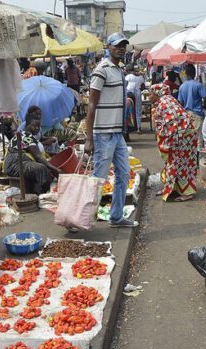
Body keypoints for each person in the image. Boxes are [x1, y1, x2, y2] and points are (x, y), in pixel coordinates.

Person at [85, 32, 138, 228]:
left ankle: (116, 217)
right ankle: (83, 217)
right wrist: (89, 138)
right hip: (103, 134)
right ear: (108, 47)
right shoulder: (101, 70)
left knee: (123, 174)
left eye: (124, 45)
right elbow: (91, 105)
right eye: (117, 45)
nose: (121, 48)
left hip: (117, 133)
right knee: (98, 178)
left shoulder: (119, 70)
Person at [149, 83, 197, 202]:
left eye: (150, 94)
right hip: (181, 136)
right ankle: (171, 188)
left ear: (157, 93)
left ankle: (187, 193)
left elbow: (172, 122)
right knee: (174, 163)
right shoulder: (165, 100)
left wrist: (168, 143)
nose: (149, 96)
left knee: (183, 165)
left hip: (183, 138)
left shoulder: (164, 103)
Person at [4, 114, 61, 195]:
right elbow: (38, 157)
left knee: (45, 168)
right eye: (34, 126)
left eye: (38, 126)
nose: (37, 128)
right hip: (14, 164)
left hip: (20, 162)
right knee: (41, 168)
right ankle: (38, 194)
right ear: (27, 125)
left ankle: (38, 191)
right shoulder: (26, 136)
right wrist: (56, 170)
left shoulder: (30, 136)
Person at [178, 64, 206, 150]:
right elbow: (205, 98)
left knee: (188, 138)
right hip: (197, 114)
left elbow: (180, 102)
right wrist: (203, 105)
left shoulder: (182, 86)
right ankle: (198, 158)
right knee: (199, 138)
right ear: (194, 73)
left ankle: (190, 157)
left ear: (186, 74)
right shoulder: (198, 85)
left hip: (186, 114)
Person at [125, 64, 144, 133]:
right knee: (138, 110)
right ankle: (138, 128)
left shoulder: (128, 76)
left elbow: (125, 85)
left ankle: (130, 127)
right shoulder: (141, 77)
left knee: (129, 111)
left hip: (129, 93)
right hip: (138, 93)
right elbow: (142, 87)